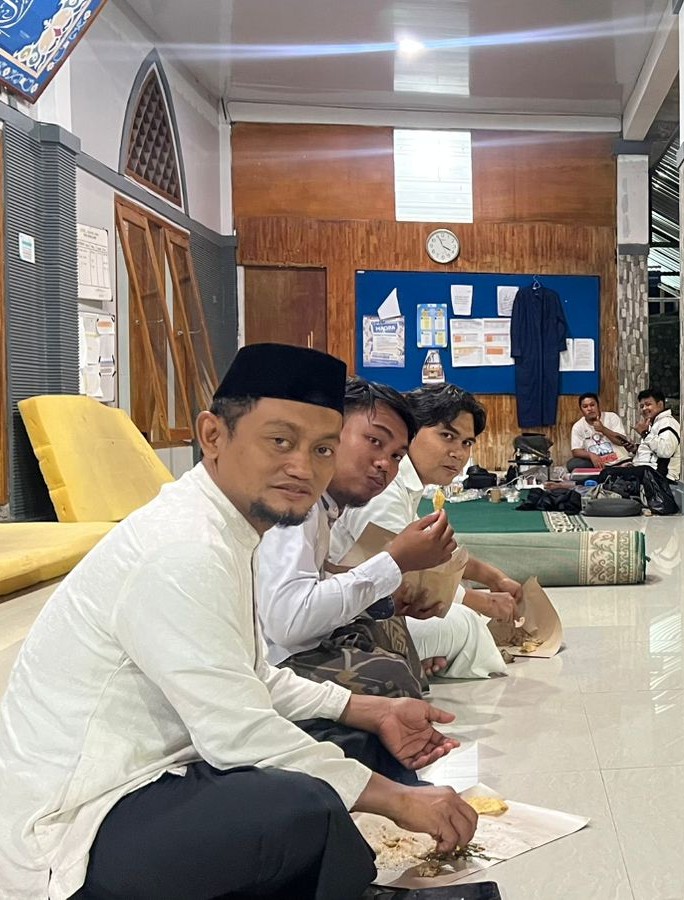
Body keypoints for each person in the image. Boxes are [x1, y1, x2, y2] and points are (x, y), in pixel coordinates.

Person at [0, 344, 478, 900]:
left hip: (168, 768)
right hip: (80, 825)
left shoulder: (230, 527)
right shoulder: (184, 547)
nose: (303, 467)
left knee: (352, 743)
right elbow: (237, 731)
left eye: (322, 448)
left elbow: (248, 674)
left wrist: (369, 710)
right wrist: (396, 799)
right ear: (213, 435)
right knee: (300, 807)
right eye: (280, 441)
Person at [256, 377, 499, 698]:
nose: (384, 463)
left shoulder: (327, 503)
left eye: (396, 455)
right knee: (397, 673)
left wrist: (387, 601)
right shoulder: (297, 499)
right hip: (266, 660)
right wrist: (394, 563)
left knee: (393, 633)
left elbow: (329, 582)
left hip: (303, 635)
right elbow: (287, 625)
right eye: (374, 440)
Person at [333, 385, 521, 679]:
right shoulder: (382, 484)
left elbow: (432, 554)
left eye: (466, 443)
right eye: (447, 436)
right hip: (339, 621)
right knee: (467, 623)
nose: (458, 453)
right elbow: (400, 571)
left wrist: (493, 578)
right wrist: (478, 601)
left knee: (461, 607)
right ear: (411, 431)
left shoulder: (402, 483)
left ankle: (414, 658)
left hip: (355, 607)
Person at [568, 391, 632, 471]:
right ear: (581, 410)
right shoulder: (578, 426)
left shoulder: (612, 417)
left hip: (619, 461)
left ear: (598, 406)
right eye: (585, 406)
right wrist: (591, 455)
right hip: (598, 463)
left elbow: (622, 441)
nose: (589, 409)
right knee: (572, 464)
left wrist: (603, 429)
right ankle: (606, 471)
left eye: (592, 405)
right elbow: (575, 451)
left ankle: (616, 469)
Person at [631, 387, 681, 480]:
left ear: (660, 404)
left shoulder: (668, 422)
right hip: (647, 472)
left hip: (658, 477)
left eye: (648, 404)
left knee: (608, 474)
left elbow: (666, 451)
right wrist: (636, 449)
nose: (644, 409)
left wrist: (644, 433)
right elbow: (653, 451)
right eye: (641, 406)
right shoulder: (655, 423)